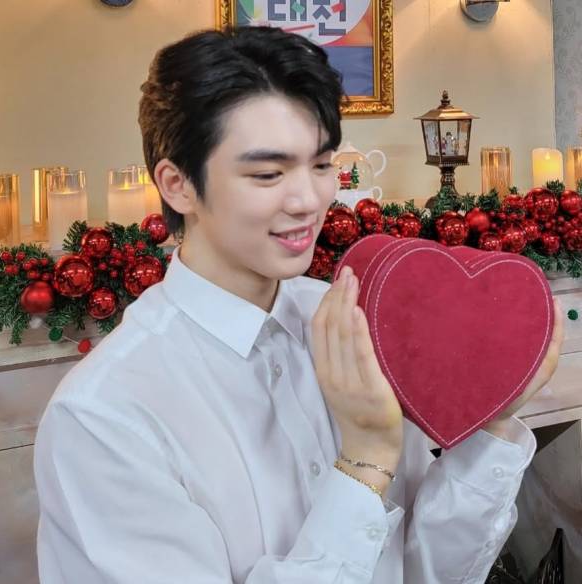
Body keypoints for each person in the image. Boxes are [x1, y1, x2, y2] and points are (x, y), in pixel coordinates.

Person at [34, 26, 563, 584]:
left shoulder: (355, 320)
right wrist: (364, 462)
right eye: (268, 174)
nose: (309, 200)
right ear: (178, 184)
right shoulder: (103, 416)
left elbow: (428, 571)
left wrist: (492, 425)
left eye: (321, 165)